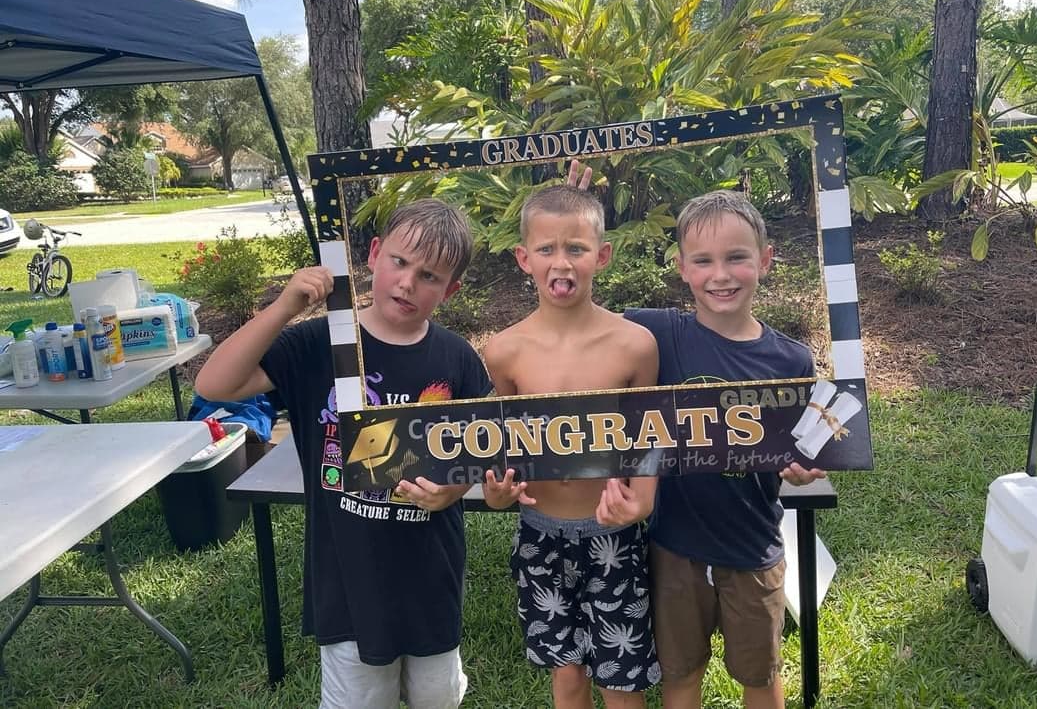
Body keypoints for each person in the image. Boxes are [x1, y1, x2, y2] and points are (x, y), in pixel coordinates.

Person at [196, 199, 491, 709]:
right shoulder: (317, 343)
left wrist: (454, 491)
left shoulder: (457, 358)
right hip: (349, 574)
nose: (407, 283)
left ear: (451, 290)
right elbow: (216, 383)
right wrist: (286, 305)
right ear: (374, 254)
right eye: (399, 262)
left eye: (429, 276)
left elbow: (477, 451)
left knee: (436, 696)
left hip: (431, 574)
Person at [613, 183, 826, 709]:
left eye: (736, 258)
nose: (721, 275)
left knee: (760, 676)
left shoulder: (792, 361)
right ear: (682, 267)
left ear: (766, 260)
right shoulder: (655, 332)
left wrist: (806, 466)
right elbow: (583, 327)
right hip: (674, 546)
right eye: (703, 261)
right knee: (680, 673)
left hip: (753, 547)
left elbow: (806, 447)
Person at [481, 183, 662, 709]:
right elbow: (502, 449)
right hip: (540, 537)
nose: (562, 262)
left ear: (601, 256)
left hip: (614, 533)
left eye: (576, 248)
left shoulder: (634, 345)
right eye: (546, 249)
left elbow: (648, 432)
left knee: (622, 679)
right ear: (524, 258)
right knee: (567, 679)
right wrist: (496, 494)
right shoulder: (504, 351)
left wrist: (643, 500)